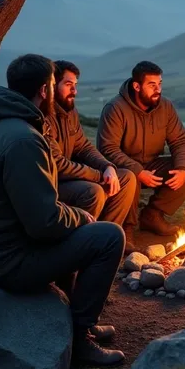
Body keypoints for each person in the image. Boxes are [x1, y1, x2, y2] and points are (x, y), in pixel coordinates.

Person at [0, 54, 126, 366]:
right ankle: (79, 337)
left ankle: (68, 316)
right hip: (6, 260)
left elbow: (32, 206)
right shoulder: (22, 139)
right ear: (45, 90)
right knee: (108, 237)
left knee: (77, 228)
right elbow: (44, 223)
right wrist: (81, 218)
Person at [97, 61, 185, 245]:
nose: (158, 89)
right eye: (152, 85)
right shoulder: (115, 108)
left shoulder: (165, 107)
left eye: (159, 84)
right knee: (131, 176)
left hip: (152, 164)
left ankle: (152, 215)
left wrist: (183, 168)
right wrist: (138, 170)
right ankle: (125, 229)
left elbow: (180, 141)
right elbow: (108, 149)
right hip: (122, 168)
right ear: (137, 86)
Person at [45, 60, 136, 248]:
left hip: (71, 178)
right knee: (93, 191)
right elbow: (57, 165)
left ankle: (104, 239)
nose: (74, 91)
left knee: (127, 178)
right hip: (52, 183)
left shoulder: (70, 112)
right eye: (68, 85)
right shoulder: (43, 117)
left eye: (75, 85)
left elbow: (83, 147)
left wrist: (107, 166)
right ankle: (77, 247)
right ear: (52, 85)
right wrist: (98, 175)